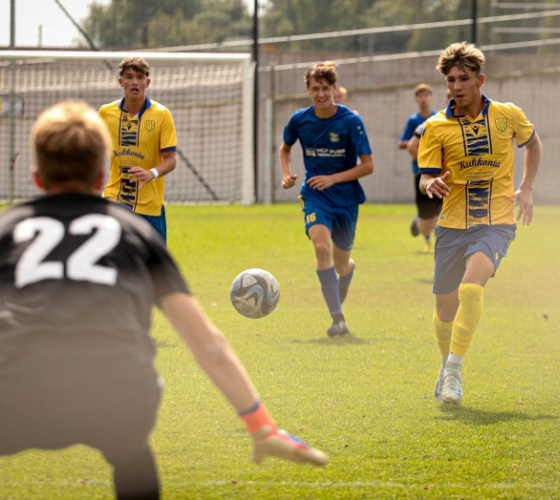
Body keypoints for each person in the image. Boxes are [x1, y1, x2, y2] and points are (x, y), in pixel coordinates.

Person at [0, 101, 327, 500]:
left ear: (36, 177)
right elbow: (208, 343)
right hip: (118, 388)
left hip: (17, 388)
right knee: (132, 453)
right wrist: (262, 426)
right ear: (103, 175)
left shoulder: (9, 229)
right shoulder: (133, 232)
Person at [418, 42, 543, 404]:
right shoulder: (435, 127)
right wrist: (431, 183)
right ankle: (445, 364)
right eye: (451, 79)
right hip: (452, 225)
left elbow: (533, 145)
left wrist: (526, 188)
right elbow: (425, 178)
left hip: (496, 222)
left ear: (480, 80)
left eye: (464, 78)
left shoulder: (508, 115)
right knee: (444, 311)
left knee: (471, 288)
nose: (456, 86)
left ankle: (455, 371)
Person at [279, 61, 374, 338]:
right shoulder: (300, 119)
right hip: (314, 196)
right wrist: (286, 174)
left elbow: (368, 165)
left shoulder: (350, 121)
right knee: (322, 249)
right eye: (315, 88)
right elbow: (285, 149)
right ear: (308, 89)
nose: (321, 94)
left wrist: (333, 178)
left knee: (342, 264)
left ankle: (347, 271)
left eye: (325, 88)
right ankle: (338, 319)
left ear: (334, 88)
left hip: (346, 199)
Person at [100, 56, 176, 242]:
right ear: (121, 81)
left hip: (149, 205)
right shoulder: (105, 113)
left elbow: (171, 159)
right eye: (129, 76)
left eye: (140, 77)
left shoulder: (162, 115)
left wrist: (152, 173)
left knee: (155, 267)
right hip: (115, 199)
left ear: (147, 82)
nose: (135, 82)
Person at [398, 84, 440, 253]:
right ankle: (420, 224)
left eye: (426, 95)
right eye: (420, 96)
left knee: (443, 208)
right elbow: (404, 142)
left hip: (440, 171)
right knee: (427, 214)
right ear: (416, 99)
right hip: (420, 171)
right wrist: (416, 142)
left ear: (431, 97)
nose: (423, 98)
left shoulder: (438, 117)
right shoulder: (413, 121)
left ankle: (440, 241)